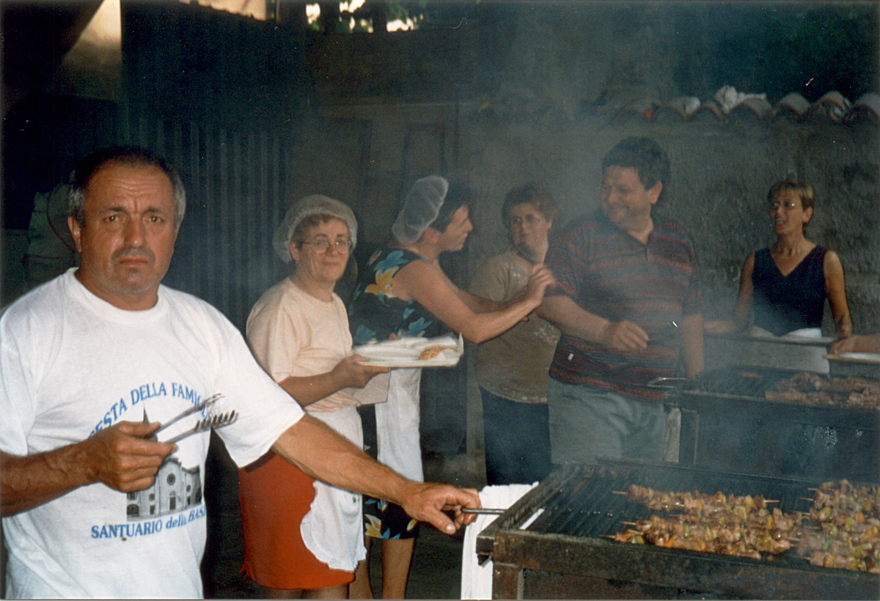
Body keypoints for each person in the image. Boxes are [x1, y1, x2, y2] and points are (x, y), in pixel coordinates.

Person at [0, 146, 480, 599]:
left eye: (154, 218)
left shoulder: (202, 328)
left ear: (175, 231)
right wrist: (82, 464)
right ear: (77, 229)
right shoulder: (26, 333)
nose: (136, 238)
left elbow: (292, 429)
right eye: (113, 217)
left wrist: (408, 492)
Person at [347, 175, 554, 599]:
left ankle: (385, 596)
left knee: (388, 501)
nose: (471, 227)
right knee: (385, 501)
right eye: (462, 221)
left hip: (386, 396)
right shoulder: (415, 269)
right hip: (376, 402)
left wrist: (511, 306)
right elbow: (474, 329)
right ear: (431, 232)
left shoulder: (405, 254)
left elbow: (462, 298)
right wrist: (530, 302)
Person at [237, 196, 389, 599]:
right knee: (289, 581)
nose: (333, 250)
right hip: (291, 460)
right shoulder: (279, 306)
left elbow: (329, 377)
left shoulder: (335, 302)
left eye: (341, 241)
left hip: (333, 453)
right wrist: (340, 377)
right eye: (319, 241)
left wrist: (370, 365)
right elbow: (269, 393)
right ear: (294, 250)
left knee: (333, 573)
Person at [537, 136, 704, 467]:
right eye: (605, 187)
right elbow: (547, 301)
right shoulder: (581, 235)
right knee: (590, 501)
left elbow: (690, 316)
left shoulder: (678, 240)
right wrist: (604, 330)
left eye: (623, 190)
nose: (610, 198)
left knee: (639, 508)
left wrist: (698, 384)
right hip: (589, 397)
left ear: (654, 192)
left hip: (654, 402)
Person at [469, 183, 560, 485]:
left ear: (549, 221)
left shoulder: (564, 267)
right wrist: (525, 298)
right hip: (506, 394)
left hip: (554, 396)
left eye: (531, 218)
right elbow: (479, 321)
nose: (523, 227)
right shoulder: (498, 269)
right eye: (515, 220)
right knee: (507, 483)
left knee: (547, 482)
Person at [704, 180, 852, 341]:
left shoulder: (825, 260)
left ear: (806, 214)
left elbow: (842, 318)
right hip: (760, 356)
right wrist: (697, 326)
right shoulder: (755, 261)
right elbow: (737, 321)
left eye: (788, 205)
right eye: (774, 205)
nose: (778, 212)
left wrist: (845, 329)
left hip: (806, 359)